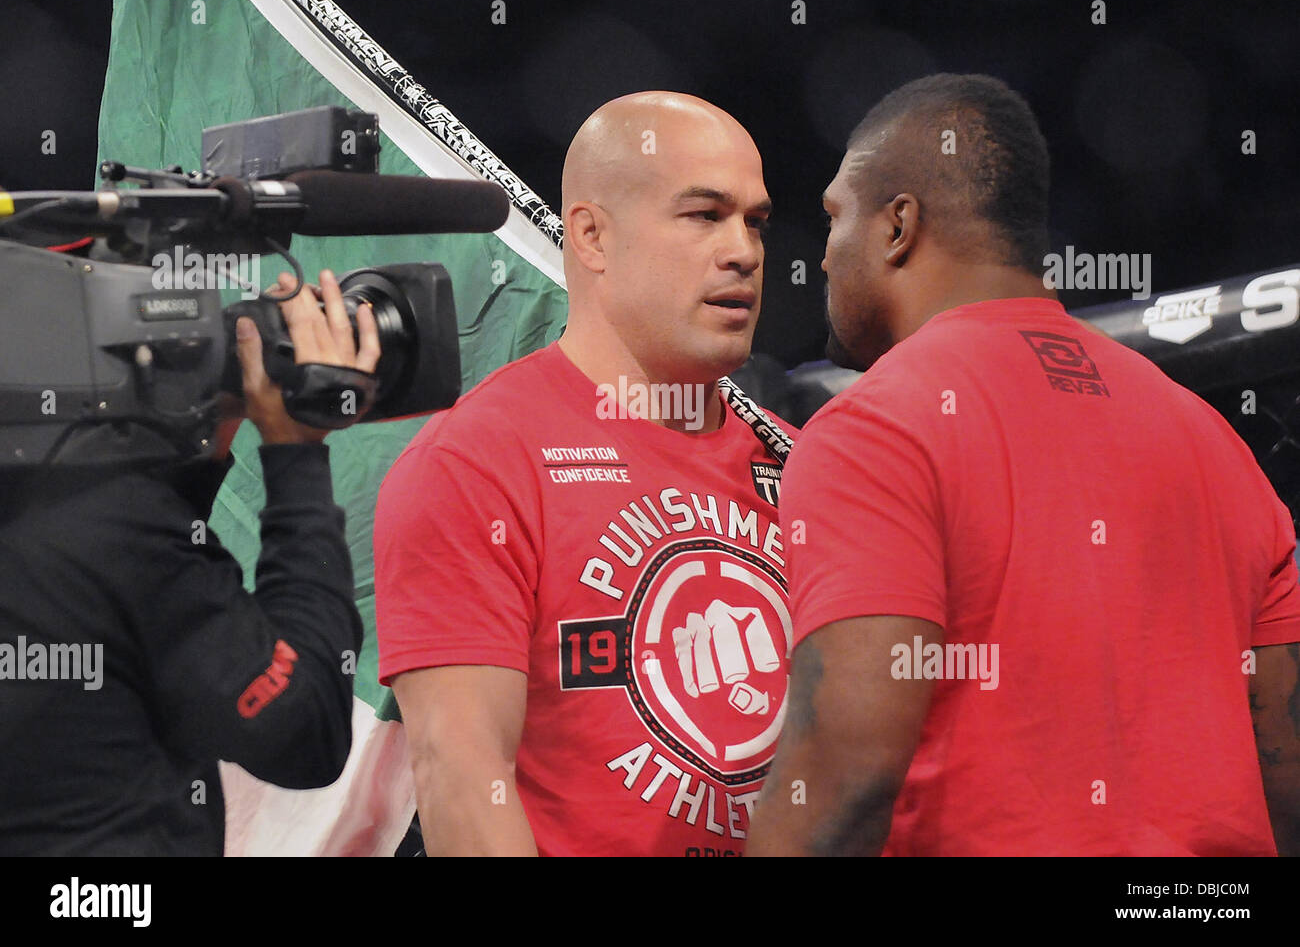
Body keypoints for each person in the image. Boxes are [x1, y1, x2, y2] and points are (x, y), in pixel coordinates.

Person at [747, 73, 1300, 856]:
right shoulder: (1214, 442)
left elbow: (846, 773)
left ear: (898, 224)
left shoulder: (875, 429)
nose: (825, 260)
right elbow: (1288, 778)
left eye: (837, 218)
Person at [375, 91, 797, 856]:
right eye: (704, 214)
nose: (743, 250)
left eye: (755, 221)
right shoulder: (476, 465)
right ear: (593, 236)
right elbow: (464, 781)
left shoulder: (805, 464)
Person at [0, 270, 377, 854]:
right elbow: (306, 731)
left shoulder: (80, 533)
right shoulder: (118, 539)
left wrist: (202, 448)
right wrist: (297, 456)